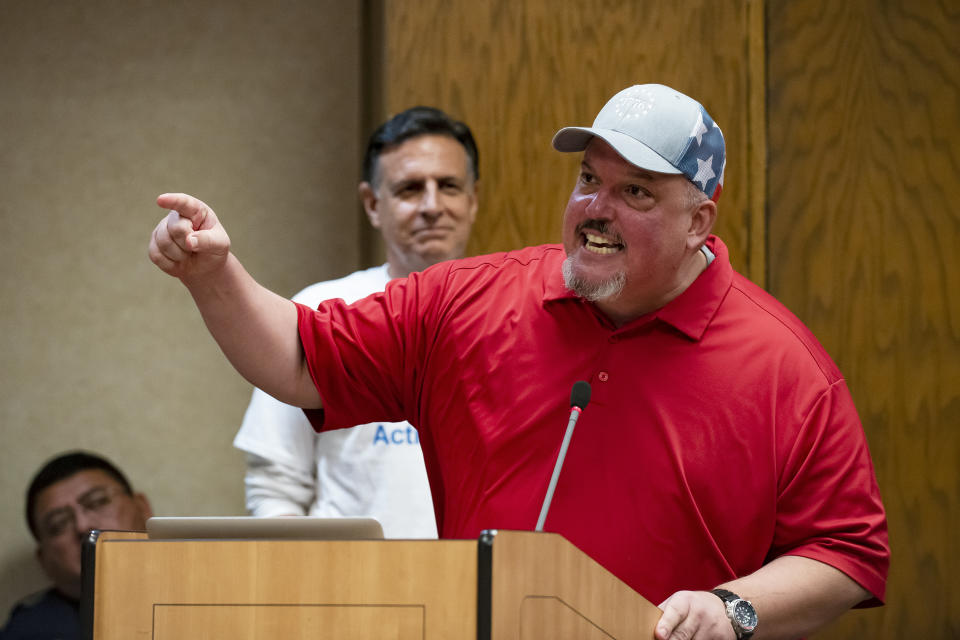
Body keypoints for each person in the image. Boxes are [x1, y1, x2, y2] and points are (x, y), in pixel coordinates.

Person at [148, 83, 889, 640]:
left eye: (636, 191)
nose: (597, 207)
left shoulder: (786, 366)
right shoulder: (465, 300)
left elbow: (848, 552)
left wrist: (733, 608)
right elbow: (297, 362)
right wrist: (215, 275)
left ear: (700, 220)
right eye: (589, 179)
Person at [233, 106, 479, 537]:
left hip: (479, 588)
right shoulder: (323, 310)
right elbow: (276, 487)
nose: (432, 206)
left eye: (449, 186)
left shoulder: (511, 313)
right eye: (409, 188)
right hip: (347, 593)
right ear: (372, 204)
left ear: (473, 200)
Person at [1, 451, 152, 640]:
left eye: (97, 502)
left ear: (142, 507)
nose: (82, 526)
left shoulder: (197, 583)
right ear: (43, 561)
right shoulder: (29, 631)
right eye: (58, 524)